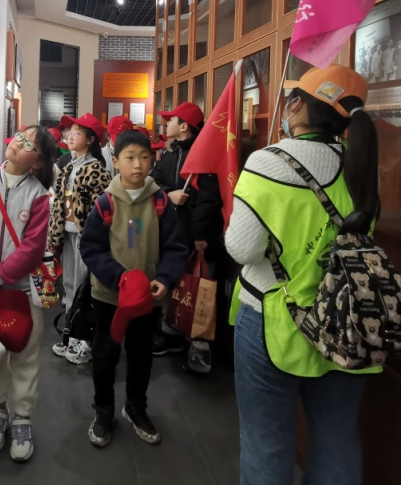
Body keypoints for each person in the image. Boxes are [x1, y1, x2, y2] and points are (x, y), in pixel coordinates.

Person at [225, 64, 381, 485]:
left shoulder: (267, 162)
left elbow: (242, 249)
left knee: (267, 445)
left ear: (295, 106)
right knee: (337, 441)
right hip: (349, 318)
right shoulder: (361, 165)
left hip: (276, 319)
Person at [79, 129, 189, 447]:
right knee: (105, 354)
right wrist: (119, 278)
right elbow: (91, 249)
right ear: (116, 162)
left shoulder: (160, 202)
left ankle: (136, 407)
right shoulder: (105, 203)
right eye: (129, 158)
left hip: (147, 301)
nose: (138, 164)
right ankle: (103, 410)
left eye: (144, 157)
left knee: (141, 355)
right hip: (108, 297)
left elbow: (175, 248)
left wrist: (164, 278)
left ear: (152, 159)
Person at [0, 125, 57, 463]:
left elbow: (32, 250)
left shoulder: (39, 196)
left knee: (24, 356)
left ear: (38, 162)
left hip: (22, 292)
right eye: (20, 137)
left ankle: (22, 418)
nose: (19, 144)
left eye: (29, 144)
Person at [149, 102, 223, 373]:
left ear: (183, 126)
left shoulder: (203, 155)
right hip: (171, 233)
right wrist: (168, 194)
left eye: (171, 120)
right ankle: (171, 333)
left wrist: (200, 235)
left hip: (196, 238)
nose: (166, 124)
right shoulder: (169, 154)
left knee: (198, 287)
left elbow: (208, 200)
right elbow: (152, 182)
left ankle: (198, 345)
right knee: (173, 282)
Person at [47, 112, 112, 364]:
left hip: (86, 238)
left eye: (77, 133)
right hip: (68, 234)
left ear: (91, 139)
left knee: (85, 288)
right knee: (70, 285)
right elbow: (59, 205)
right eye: (70, 132)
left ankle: (84, 341)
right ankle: (71, 334)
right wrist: (54, 233)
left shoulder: (96, 169)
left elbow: (100, 210)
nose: (70, 136)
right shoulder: (70, 165)